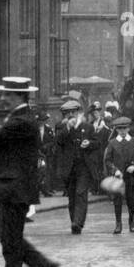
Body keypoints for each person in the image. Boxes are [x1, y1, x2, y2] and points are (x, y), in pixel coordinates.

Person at [0, 78, 59, 267]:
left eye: (8, 95)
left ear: (19, 97)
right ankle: (45, 265)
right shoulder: (16, 119)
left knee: (10, 240)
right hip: (12, 188)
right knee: (9, 238)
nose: (3, 98)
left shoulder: (22, 121)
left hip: (16, 189)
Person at [57, 97, 96, 234]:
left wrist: (89, 144)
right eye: (67, 113)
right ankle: (74, 221)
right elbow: (59, 141)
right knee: (72, 196)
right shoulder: (61, 127)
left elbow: (97, 144)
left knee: (80, 193)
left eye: (72, 112)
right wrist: (67, 127)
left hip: (83, 166)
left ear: (78, 112)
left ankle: (78, 222)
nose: (70, 116)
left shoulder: (88, 127)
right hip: (69, 167)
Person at [104, 117, 134, 234]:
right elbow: (107, 160)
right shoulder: (112, 143)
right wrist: (114, 170)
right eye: (120, 128)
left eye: (125, 128)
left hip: (131, 176)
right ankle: (118, 224)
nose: (122, 131)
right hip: (118, 177)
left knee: (131, 200)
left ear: (129, 128)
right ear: (116, 130)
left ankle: (131, 221)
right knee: (117, 201)